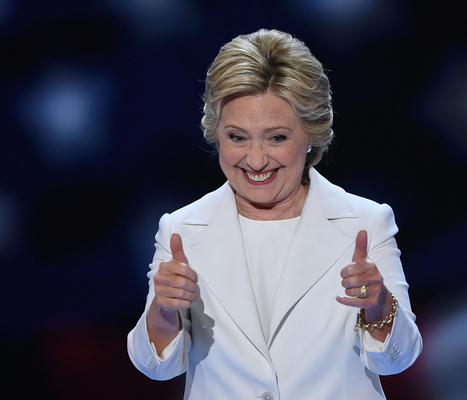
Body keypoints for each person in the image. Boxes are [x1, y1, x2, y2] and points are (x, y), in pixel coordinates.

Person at [127, 29, 422, 400]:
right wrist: (163, 311)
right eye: (237, 137)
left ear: (311, 133)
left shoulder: (365, 222)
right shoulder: (181, 230)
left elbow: (398, 359)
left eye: (277, 137)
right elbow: (156, 367)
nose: (255, 160)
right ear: (216, 133)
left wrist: (379, 306)